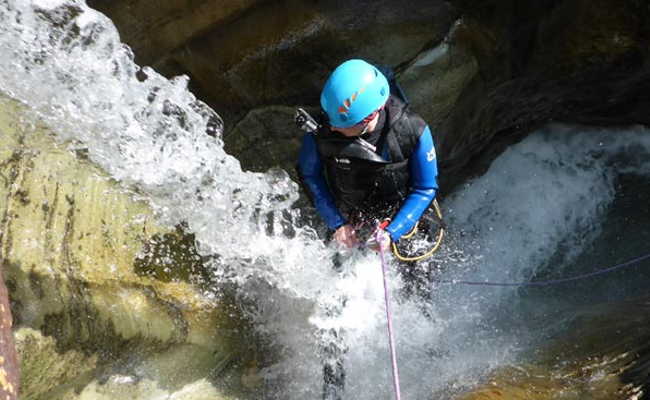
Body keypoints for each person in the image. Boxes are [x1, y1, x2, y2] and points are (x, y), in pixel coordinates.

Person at [297, 59, 439, 252]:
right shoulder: (322, 128)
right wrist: (337, 223)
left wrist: (393, 232)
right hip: (350, 215)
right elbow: (310, 175)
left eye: (342, 125)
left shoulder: (412, 129)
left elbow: (425, 187)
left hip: (403, 213)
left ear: (369, 118)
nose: (332, 127)